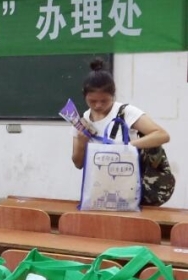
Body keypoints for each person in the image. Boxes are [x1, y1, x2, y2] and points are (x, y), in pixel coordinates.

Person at [71, 59, 171, 202]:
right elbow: (78, 164)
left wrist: (127, 147)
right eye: (92, 101)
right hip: (98, 190)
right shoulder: (82, 121)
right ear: (84, 95)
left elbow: (162, 135)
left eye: (104, 101)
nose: (98, 105)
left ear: (113, 95)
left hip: (129, 189)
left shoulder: (125, 112)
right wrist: (81, 143)